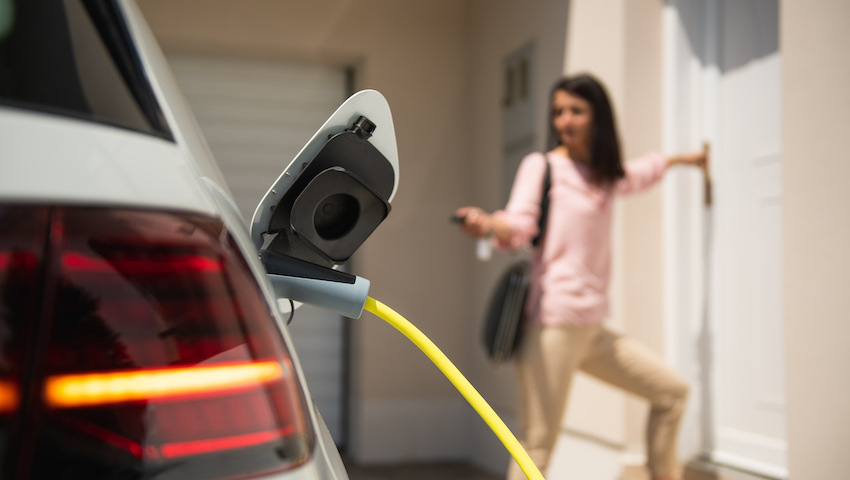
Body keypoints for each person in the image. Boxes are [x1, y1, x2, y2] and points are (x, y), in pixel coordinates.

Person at [455, 74, 705, 480]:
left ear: (598, 117)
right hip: (552, 326)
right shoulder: (543, 166)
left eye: (576, 111)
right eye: (558, 112)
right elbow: (518, 223)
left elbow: (642, 171)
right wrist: (486, 225)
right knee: (536, 450)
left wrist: (684, 160)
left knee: (671, 394)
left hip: (592, 329)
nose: (564, 121)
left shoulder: (605, 176)